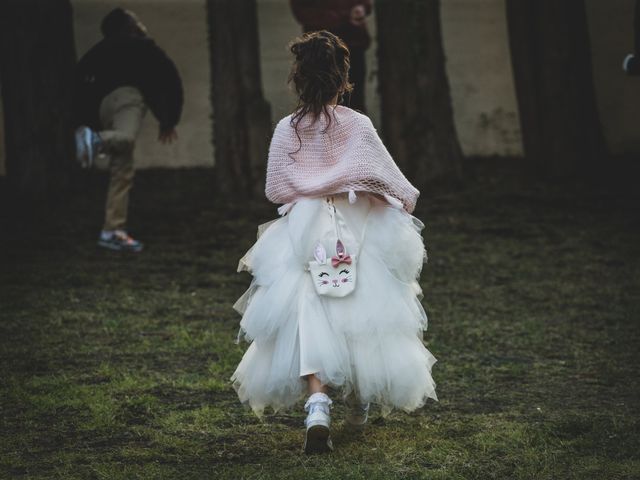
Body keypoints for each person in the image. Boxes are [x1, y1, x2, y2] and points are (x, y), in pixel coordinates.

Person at [231, 31, 437, 454]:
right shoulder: (357, 126)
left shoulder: (288, 129)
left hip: (307, 229)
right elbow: (391, 180)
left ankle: (318, 404)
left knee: (309, 306)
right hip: (358, 223)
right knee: (363, 305)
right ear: (343, 77)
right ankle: (358, 399)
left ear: (298, 78)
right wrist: (383, 195)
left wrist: (311, 184)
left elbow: (276, 189)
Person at [74, 8, 183, 252]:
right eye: (136, 22)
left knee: (122, 170)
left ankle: (112, 230)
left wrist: (85, 120)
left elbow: (79, 82)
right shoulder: (143, 47)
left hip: (102, 108)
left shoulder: (97, 51)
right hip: (128, 100)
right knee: (126, 139)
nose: (141, 25)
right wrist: (169, 119)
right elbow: (169, 79)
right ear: (128, 27)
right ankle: (96, 139)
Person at [290, 0, 372, 112]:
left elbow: (365, 4)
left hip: (353, 44)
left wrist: (361, 8)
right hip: (321, 50)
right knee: (322, 102)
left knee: (355, 100)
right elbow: (302, 11)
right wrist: (345, 15)